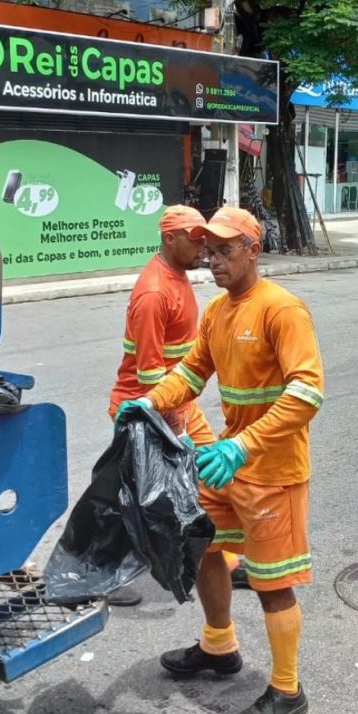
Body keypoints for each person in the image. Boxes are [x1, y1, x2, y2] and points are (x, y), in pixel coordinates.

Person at [117, 206, 324, 714]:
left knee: (272, 581)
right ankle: (219, 646)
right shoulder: (218, 312)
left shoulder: (282, 309)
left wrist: (243, 446)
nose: (214, 261)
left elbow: (307, 392)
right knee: (206, 545)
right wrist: (151, 403)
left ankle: (286, 689)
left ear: (253, 250)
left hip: (272, 469)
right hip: (227, 463)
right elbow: (191, 370)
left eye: (225, 250)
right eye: (209, 251)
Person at [106, 205, 220, 607]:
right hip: (145, 412)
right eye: (195, 238)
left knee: (211, 476)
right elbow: (150, 373)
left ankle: (220, 558)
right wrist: (175, 428)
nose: (203, 246)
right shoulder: (154, 292)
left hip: (177, 405)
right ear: (170, 238)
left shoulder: (179, 277)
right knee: (130, 497)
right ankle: (107, 574)